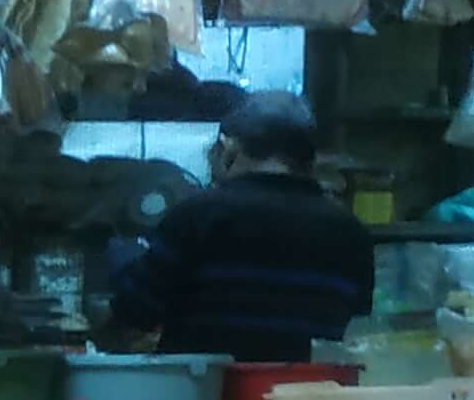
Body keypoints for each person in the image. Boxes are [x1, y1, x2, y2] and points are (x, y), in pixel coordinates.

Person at [104, 91, 375, 364]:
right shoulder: (352, 233)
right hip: (306, 398)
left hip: (209, 397)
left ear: (229, 148)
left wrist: (122, 259)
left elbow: (135, 311)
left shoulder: (199, 216)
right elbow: (359, 330)